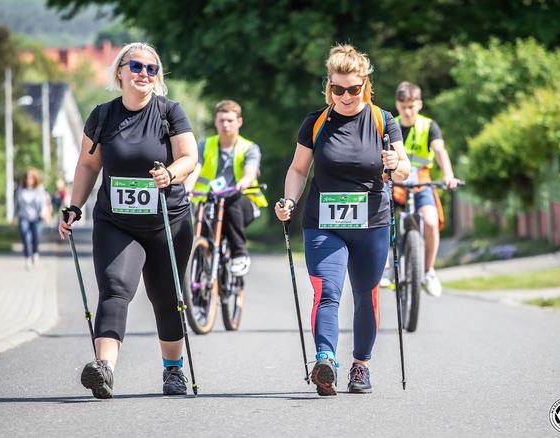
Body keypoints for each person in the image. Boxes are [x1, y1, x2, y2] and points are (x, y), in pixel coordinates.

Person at [58, 42, 198, 398]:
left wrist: (171, 173)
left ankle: (173, 371)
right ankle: (104, 369)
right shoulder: (103, 116)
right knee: (114, 286)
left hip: (168, 219)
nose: (143, 74)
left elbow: (189, 156)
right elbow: (89, 165)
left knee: (166, 297)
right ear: (119, 71)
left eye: (151, 69)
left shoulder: (170, 112)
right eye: (136, 66)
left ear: (158, 77)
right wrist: (75, 206)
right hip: (116, 221)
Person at [274, 44, 410, 396]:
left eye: (353, 88)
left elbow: (405, 168)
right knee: (328, 292)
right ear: (329, 87)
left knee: (367, 295)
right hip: (324, 222)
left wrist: (396, 164)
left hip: (372, 223)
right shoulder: (317, 122)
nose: (346, 95)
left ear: (365, 85)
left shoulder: (383, 120)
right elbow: (298, 169)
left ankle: (360, 366)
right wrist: (289, 200)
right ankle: (326, 361)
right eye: (338, 89)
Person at [183, 100, 267, 276]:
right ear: (215, 122)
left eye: (230, 120)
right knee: (200, 225)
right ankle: (199, 265)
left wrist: (243, 182)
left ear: (239, 122)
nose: (225, 124)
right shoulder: (205, 145)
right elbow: (195, 169)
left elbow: (250, 172)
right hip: (210, 202)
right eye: (221, 120)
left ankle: (239, 254)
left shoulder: (249, 148)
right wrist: (187, 190)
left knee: (232, 202)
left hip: (241, 202)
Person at [393, 81, 458, 297]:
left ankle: (428, 271)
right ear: (397, 105)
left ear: (419, 104)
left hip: (421, 179)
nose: (408, 111)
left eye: (411, 106)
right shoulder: (391, 125)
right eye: (403, 107)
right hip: (394, 181)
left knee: (430, 222)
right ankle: (386, 266)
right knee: (379, 220)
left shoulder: (429, 126)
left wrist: (448, 175)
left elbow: (439, 150)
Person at [13, 168, 50, 270]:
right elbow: (16, 204)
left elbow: (43, 203)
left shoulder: (39, 189)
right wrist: (13, 217)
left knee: (36, 237)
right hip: (24, 217)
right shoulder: (20, 189)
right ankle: (28, 258)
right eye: (27, 177)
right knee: (25, 237)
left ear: (34, 178)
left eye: (31, 177)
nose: (28, 179)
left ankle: (35, 252)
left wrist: (44, 213)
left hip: (37, 218)